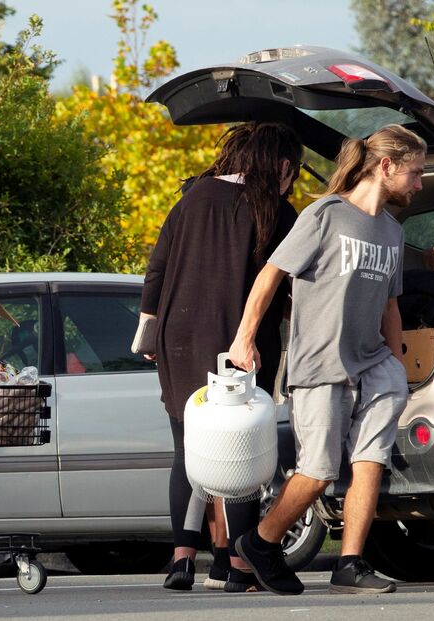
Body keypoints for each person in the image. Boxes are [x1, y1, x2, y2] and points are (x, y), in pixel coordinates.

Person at [228, 125, 427, 596]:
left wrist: (396, 362)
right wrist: (244, 338)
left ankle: (351, 563)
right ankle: (260, 541)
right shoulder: (325, 215)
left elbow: (390, 305)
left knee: (371, 459)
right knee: (317, 473)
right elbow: (271, 274)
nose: (419, 184)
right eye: (415, 173)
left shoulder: (393, 232)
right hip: (319, 365)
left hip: (373, 363)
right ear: (386, 166)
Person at [140, 121, 304, 592]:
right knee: (242, 455)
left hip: (179, 338)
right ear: (284, 166)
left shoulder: (191, 199)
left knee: (185, 451)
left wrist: (150, 337)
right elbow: (290, 282)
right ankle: (238, 568)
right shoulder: (275, 209)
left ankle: (181, 560)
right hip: (240, 342)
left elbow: (157, 271)